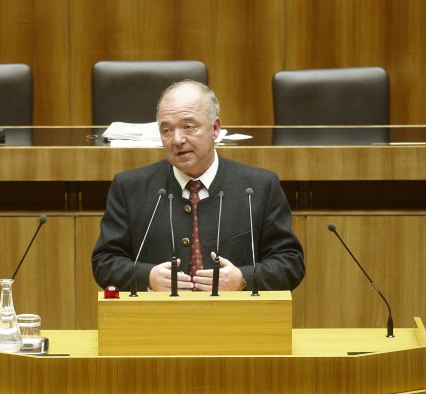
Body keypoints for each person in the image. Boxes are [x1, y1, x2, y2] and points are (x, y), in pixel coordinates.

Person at [92, 80, 304, 292]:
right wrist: (147, 277)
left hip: (234, 320)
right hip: (159, 320)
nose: (177, 139)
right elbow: (105, 261)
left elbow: (290, 262)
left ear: (215, 129)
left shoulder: (259, 187)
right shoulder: (130, 188)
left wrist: (244, 278)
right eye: (166, 130)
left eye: (188, 127)